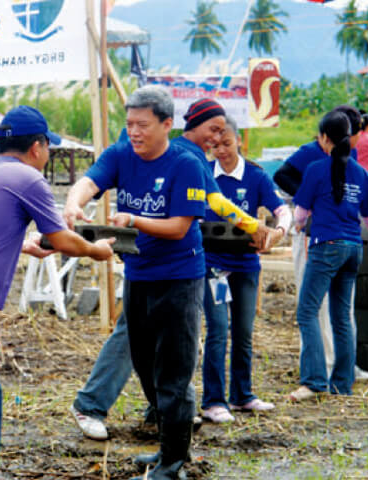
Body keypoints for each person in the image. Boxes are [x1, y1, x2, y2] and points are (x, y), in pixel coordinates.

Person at [68, 98, 278, 442]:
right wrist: (251, 224)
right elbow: (216, 202)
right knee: (135, 339)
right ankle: (93, 403)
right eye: (213, 129)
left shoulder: (189, 160)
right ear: (188, 125)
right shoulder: (174, 155)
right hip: (144, 267)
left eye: (223, 132)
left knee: (170, 345)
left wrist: (252, 225)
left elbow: (212, 204)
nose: (217, 137)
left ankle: (164, 412)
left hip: (178, 267)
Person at [0, 105, 115, 480]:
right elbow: (61, 238)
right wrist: (96, 250)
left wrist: (23, 243)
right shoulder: (28, 178)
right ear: (38, 147)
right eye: (48, 148)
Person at [65, 85, 207, 479]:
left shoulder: (185, 163)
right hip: (140, 275)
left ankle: (174, 462)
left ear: (166, 125)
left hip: (180, 277)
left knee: (174, 371)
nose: (134, 132)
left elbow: (179, 228)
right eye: (129, 124)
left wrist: (134, 220)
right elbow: (90, 182)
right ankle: (169, 449)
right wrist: (75, 203)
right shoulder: (120, 155)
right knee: (146, 365)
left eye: (143, 125)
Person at [289, 111, 368, 402]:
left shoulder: (316, 169)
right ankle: (342, 384)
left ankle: (313, 380)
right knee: (342, 317)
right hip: (353, 248)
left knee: (307, 311)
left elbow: (300, 213)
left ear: (324, 138)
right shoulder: (359, 172)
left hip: (325, 246)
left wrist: (297, 226)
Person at [201, 117, 292, 423]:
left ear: (239, 141)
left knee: (243, 331)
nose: (222, 151)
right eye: (216, 146)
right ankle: (213, 400)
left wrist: (279, 231)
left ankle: (242, 395)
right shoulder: (203, 176)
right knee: (218, 328)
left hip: (246, 265)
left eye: (227, 144)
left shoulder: (255, 176)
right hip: (214, 267)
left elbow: (283, 210)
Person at [274, 105, 368, 380]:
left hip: (342, 239)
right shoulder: (311, 153)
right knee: (313, 304)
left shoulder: (347, 157)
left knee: (341, 307)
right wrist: (311, 198)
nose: (354, 141)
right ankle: (319, 366)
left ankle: (343, 366)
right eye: (353, 134)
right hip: (312, 234)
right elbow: (281, 175)